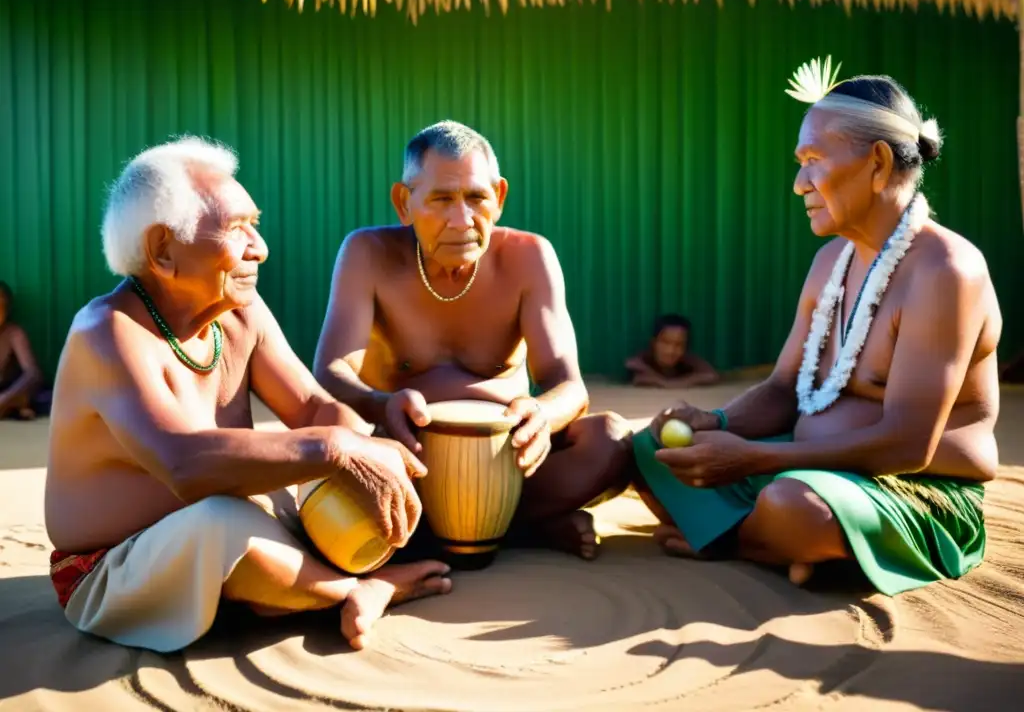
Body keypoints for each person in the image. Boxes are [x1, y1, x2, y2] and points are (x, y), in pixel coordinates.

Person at [43, 137, 452, 654]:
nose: (260, 248)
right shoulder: (106, 332)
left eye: (253, 225)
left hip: (234, 519)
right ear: (163, 251)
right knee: (221, 524)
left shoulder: (240, 311)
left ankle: (288, 586)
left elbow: (312, 406)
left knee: (293, 490)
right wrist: (335, 450)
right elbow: (183, 464)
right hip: (114, 567)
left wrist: (358, 451)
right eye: (237, 229)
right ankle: (354, 590)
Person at [632, 59, 1002, 596]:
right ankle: (789, 548)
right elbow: (784, 390)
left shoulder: (944, 270)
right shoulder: (832, 260)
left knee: (795, 507)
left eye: (812, 161)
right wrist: (714, 420)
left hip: (909, 491)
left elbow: (908, 446)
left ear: (877, 162)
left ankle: (746, 539)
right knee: (651, 449)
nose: (798, 182)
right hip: (803, 468)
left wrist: (754, 458)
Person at [313, 120, 634, 561]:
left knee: (610, 441)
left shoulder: (529, 257)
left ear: (499, 198)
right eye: (441, 199)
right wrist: (380, 403)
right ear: (404, 203)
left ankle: (459, 530)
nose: (462, 219)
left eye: (476, 198)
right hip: (410, 465)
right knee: (336, 467)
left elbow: (569, 384)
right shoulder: (368, 254)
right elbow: (330, 373)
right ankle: (525, 528)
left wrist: (541, 413)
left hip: (507, 463)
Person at [625, 313, 720, 388]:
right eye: (665, 342)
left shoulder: (687, 360)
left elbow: (711, 375)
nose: (671, 351)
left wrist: (669, 384)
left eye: (679, 345)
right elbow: (633, 367)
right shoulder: (643, 360)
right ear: (653, 343)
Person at [0, 281, 50, 420]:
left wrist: (6, 399)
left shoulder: (13, 333)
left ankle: (14, 407)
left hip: (7, 392)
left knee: (49, 398)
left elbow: (33, 374)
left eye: (1, 306)